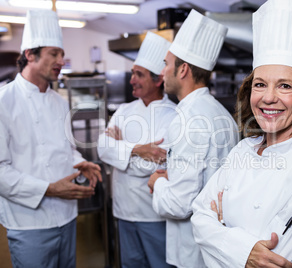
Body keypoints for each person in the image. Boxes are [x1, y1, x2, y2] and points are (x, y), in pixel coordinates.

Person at [191, 0, 292, 267]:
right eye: (260, 84)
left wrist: (221, 230)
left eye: (284, 86)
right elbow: (199, 216)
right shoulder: (243, 149)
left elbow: (277, 263)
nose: (269, 98)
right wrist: (246, 251)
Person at [0, 9, 102, 268]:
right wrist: (49, 189)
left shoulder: (59, 102)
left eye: (62, 54)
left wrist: (80, 162)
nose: (61, 61)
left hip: (67, 217)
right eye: (53, 53)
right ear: (30, 55)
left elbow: (66, 149)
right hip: (29, 222)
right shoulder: (4, 101)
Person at [146, 9, 240, 268]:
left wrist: (157, 182)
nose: (162, 72)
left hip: (193, 251)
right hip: (217, 250)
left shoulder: (188, 120)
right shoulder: (221, 114)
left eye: (166, 64)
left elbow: (179, 204)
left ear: (183, 69)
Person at [97, 31, 176, 268]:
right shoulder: (123, 110)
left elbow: (157, 163)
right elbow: (102, 147)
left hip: (154, 214)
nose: (132, 79)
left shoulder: (172, 115)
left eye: (139, 74)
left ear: (158, 79)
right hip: (123, 211)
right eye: (132, 73)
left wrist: (120, 150)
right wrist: (137, 150)